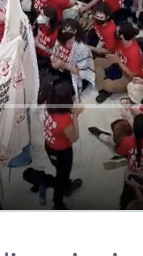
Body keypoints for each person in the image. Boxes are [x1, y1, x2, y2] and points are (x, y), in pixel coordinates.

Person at [42, 81, 84, 210]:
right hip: (62, 151)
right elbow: (74, 138)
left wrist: (71, 110)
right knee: (62, 174)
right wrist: (75, 116)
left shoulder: (49, 103)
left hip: (49, 145)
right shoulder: (64, 120)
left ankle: (66, 186)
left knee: (61, 172)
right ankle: (58, 203)